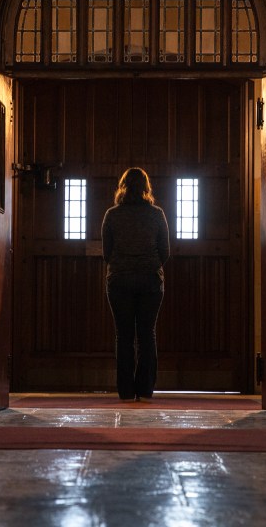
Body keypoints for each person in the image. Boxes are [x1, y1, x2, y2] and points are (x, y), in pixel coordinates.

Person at [101, 167, 170, 402]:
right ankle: (145, 389)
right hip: (150, 280)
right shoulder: (157, 214)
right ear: (146, 188)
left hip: (119, 280)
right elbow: (165, 251)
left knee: (124, 336)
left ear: (123, 187)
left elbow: (106, 252)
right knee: (147, 334)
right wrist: (149, 264)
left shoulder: (112, 214)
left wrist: (123, 263)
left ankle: (126, 391)